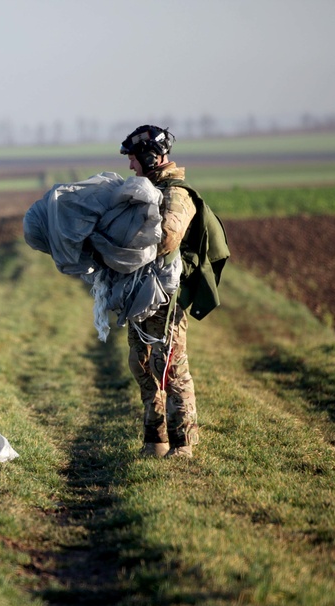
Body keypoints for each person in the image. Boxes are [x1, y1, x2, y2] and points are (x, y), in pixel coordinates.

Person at [119, 124, 201, 459]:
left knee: (171, 368)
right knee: (141, 365)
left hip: (167, 301)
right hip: (142, 295)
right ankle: (155, 440)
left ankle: (183, 445)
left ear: (151, 157)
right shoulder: (148, 191)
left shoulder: (175, 195)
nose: (130, 167)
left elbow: (166, 238)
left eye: (134, 160)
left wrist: (123, 240)